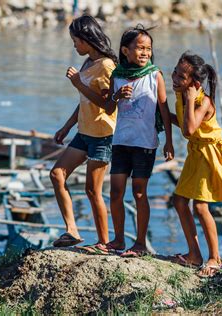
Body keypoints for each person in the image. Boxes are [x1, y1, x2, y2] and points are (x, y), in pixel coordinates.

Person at [169, 52, 222, 276]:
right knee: (179, 201)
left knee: (200, 206)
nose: (174, 78)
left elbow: (189, 129)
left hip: (210, 153)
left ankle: (215, 258)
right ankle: (194, 254)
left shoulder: (203, 101)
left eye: (181, 76)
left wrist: (188, 99)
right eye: (175, 72)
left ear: (194, 84)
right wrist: (165, 117)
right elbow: (187, 124)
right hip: (196, 153)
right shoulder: (182, 96)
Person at [97, 25, 174, 256]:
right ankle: (118, 240)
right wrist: (116, 95)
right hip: (121, 141)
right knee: (116, 192)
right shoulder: (117, 75)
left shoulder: (154, 75)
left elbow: (164, 110)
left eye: (148, 49)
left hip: (144, 144)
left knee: (139, 193)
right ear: (125, 50)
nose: (144, 53)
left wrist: (169, 142)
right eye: (139, 48)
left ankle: (140, 243)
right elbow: (109, 107)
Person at [50, 15, 118, 248]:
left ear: (88, 40)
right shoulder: (88, 62)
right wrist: (67, 126)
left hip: (103, 136)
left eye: (76, 41)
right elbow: (85, 101)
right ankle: (72, 230)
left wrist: (79, 83)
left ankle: (104, 243)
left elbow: (109, 105)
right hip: (84, 131)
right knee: (57, 174)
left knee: (92, 190)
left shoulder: (108, 65)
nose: (74, 46)